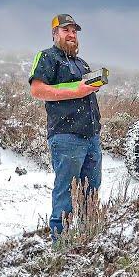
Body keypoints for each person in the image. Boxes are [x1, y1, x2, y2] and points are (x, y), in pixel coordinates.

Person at [28, 14, 103, 243]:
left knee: (91, 190)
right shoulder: (47, 57)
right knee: (66, 190)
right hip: (66, 136)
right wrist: (76, 91)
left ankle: (90, 238)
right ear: (55, 34)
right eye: (65, 30)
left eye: (74, 31)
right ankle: (61, 243)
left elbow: (84, 90)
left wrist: (92, 86)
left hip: (92, 137)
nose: (71, 35)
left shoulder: (82, 63)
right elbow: (38, 90)